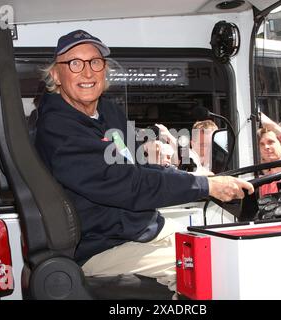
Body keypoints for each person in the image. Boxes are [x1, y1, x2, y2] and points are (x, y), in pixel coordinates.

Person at [34, 29, 254, 292]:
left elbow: (136, 166)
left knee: (231, 255)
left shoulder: (107, 112)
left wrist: (200, 178)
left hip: (137, 229)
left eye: (95, 62)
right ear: (56, 75)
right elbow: (128, 184)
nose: (87, 72)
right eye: (75, 63)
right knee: (212, 272)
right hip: (101, 244)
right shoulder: (59, 130)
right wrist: (205, 188)